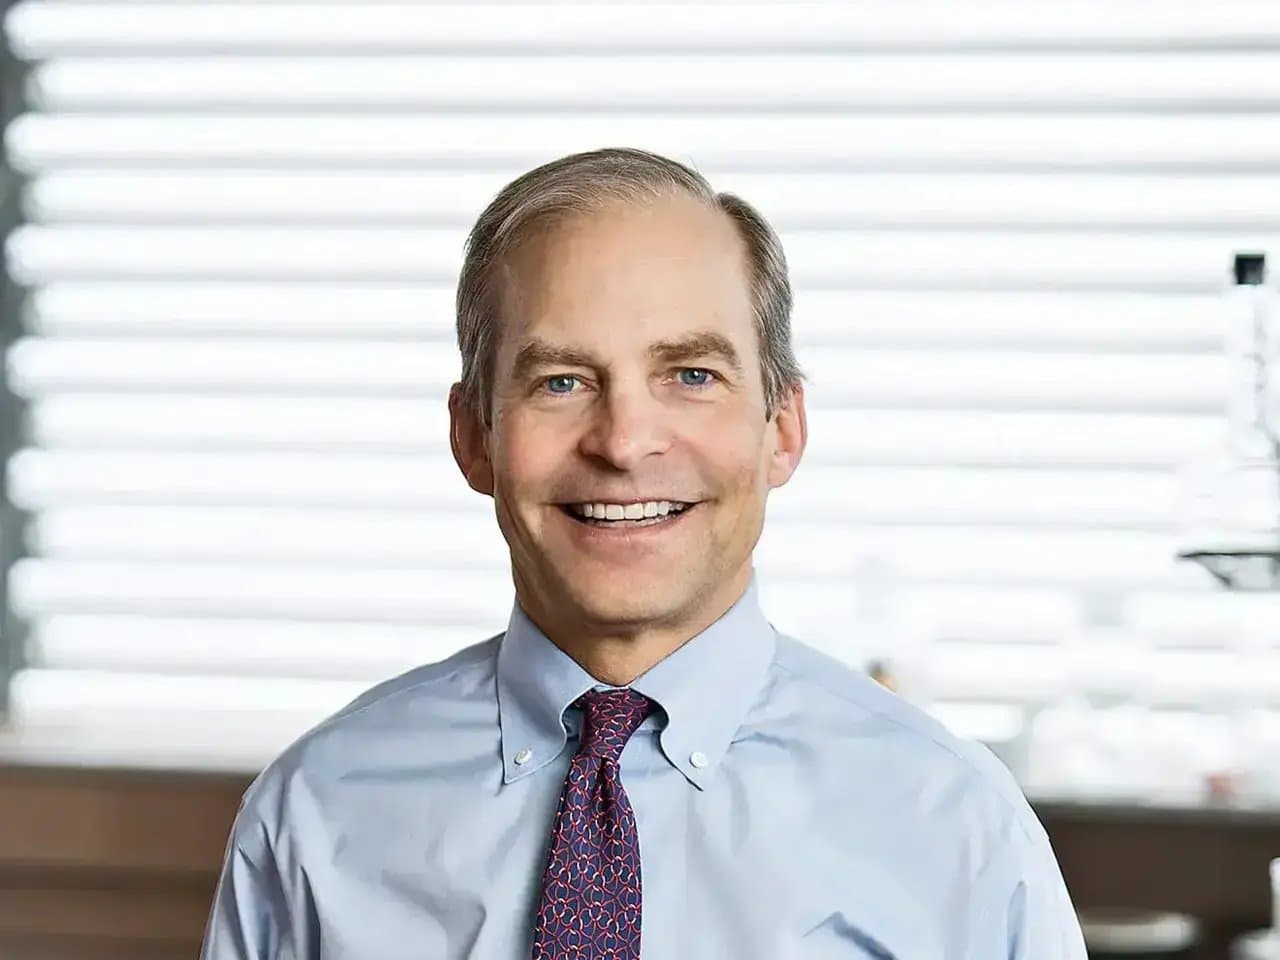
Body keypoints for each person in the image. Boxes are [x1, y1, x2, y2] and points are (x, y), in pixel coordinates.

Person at [200, 146, 1088, 959]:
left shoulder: (951, 823)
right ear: (475, 436)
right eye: (562, 382)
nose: (624, 442)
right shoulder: (315, 814)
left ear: (782, 428)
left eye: (691, 376)